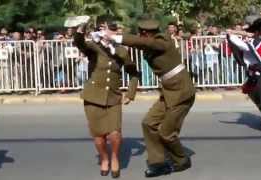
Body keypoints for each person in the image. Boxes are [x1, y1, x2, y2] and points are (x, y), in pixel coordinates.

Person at [105, 19, 196, 177]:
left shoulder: (163, 40)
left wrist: (118, 37)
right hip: (168, 91)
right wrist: (110, 38)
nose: (139, 35)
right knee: (148, 123)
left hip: (181, 92)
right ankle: (158, 162)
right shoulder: (150, 41)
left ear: (147, 33)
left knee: (166, 133)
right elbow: (140, 42)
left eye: (141, 33)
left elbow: (147, 44)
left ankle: (182, 160)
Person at [73, 18, 139, 178]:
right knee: (99, 136)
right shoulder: (93, 47)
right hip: (93, 97)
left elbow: (134, 73)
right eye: (112, 29)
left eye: (115, 29)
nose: (114, 32)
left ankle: (115, 157)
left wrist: (130, 93)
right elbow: (80, 43)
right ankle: (104, 158)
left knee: (115, 134)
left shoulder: (122, 51)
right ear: (102, 30)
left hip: (113, 97)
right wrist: (81, 29)